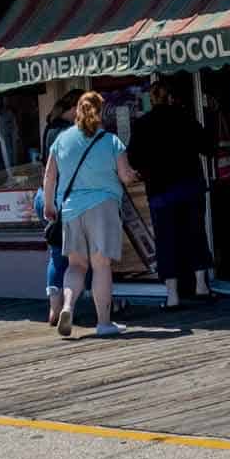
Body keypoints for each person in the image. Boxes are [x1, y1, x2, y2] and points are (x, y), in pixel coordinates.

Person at [41, 90, 141, 339]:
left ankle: (67, 307)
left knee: (76, 265)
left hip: (71, 209)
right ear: (101, 113)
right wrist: (136, 175)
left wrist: (50, 206)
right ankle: (104, 322)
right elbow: (126, 175)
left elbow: (49, 176)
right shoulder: (110, 141)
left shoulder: (61, 140)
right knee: (101, 265)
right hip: (102, 207)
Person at [126, 79, 216, 309]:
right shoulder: (184, 118)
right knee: (196, 234)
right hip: (189, 185)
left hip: (160, 190)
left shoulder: (143, 124)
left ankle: (173, 295)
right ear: (172, 97)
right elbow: (207, 146)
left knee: (166, 241)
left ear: (152, 99)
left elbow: (133, 158)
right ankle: (201, 286)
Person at [36, 91, 85, 325]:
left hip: (45, 195)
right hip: (64, 197)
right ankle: (89, 303)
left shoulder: (50, 128)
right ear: (75, 108)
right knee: (81, 256)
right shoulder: (69, 133)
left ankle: (54, 309)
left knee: (57, 255)